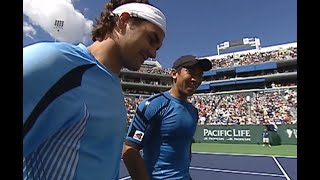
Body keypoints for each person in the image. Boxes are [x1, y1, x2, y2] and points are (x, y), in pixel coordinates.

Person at [23, 0, 166, 179]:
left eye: (157, 47)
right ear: (123, 21)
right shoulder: (54, 62)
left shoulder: (114, 90)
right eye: (151, 40)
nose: (153, 53)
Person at [122, 55, 213, 180]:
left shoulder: (193, 111)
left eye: (200, 75)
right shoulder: (153, 105)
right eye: (191, 72)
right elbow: (130, 150)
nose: (195, 79)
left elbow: (186, 147)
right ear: (174, 74)